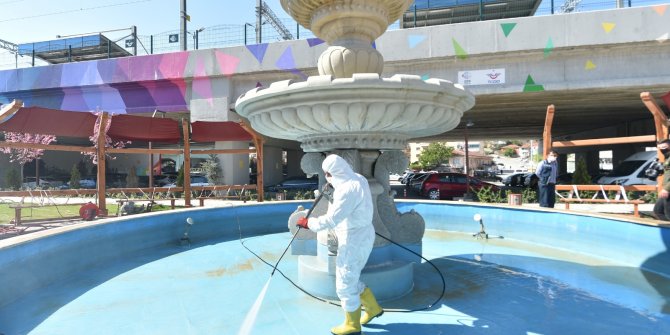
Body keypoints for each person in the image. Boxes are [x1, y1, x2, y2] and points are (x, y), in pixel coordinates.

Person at [296, 154, 383, 335]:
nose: (327, 177)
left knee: (344, 282)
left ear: (333, 173)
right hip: (363, 234)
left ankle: (352, 325)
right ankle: (373, 308)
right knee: (351, 277)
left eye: (327, 174)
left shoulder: (346, 190)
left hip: (354, 239)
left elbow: (332, 219)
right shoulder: (358, 178)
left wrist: (309, 223)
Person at [653, 140, 670, 221]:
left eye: (664, 147)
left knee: (668, 214)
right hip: (666, 190)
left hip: (668, 190)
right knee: (658, 211)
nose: (662, 150)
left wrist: (666, 189)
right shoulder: (667, 158)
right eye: (660, 148)